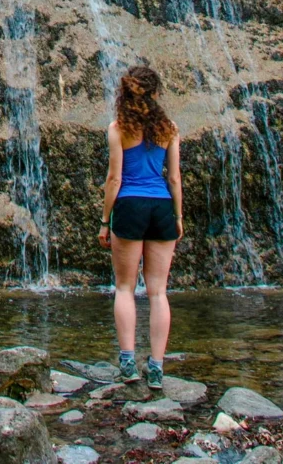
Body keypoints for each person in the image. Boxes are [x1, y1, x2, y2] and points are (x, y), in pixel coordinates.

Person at [98, 66, 183, 390]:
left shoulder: (118, 128)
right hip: (161, 206)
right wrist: (177, 217)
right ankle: (158, 367)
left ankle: (128, 362)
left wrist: (105, 221)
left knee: (124, 287)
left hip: (130, 206)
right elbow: (174, 178)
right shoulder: (169, 129)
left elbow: (114, 179)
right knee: (158, 291)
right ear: (156, 93)